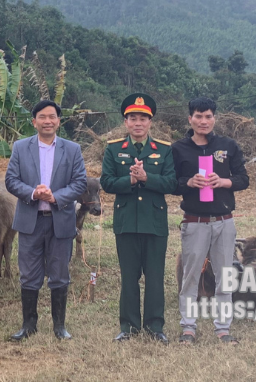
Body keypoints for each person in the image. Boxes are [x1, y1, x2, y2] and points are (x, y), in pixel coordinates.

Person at [5, 100, 88, 341]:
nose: (47, 121)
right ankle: (28, 325)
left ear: (58, 121)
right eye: (42, 117)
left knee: (59, 273)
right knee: (29, 274)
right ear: (34, 121)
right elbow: (11, 180)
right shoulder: (21, 147)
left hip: (59, 220)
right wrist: (33, 193)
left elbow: (80, 183)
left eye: (52, 117)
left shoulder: (72, 149)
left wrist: (55, 196)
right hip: (31, 220)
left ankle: (59, 327)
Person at [172, 97, 249, 345]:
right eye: (198, 116)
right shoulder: (179, 149)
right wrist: (188, 182)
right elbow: (170, 182)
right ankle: (188, 327)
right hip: (194, 221)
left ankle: (223, 328)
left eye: (208, 116)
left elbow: (243, 179)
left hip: (224, 221)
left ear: (214, 118)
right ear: (190, 119)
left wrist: (224, 182)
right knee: (190, 276)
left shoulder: (228, 146)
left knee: (224, 275)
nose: (203, 121)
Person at [101, 94, 176, 343]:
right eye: (133, 118)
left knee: (155, 278)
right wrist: (130, 180)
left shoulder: (164, 150)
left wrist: (146, 178)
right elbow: (107, 182)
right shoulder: (114, 149)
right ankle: (129, 326)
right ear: (125, 122)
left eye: (143, 118)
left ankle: (155, 327)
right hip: (126, 223)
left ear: (150, 122)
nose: (138, 123)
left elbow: (172, 183)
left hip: (154, 223)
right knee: (129, 277)